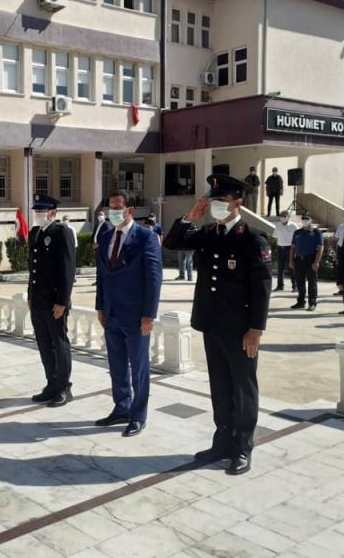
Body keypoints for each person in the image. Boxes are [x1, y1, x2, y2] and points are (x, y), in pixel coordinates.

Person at [163, 174, 272, 476]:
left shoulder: (253, 238)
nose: (216, 206)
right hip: (212, 323)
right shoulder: (209, 232)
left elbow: (262, 289)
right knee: (220, 386)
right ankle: (223, 442)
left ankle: (243, 447)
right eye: (213, 200)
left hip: (240, 329)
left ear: (238, 202)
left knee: (243, 389)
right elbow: (172, 243)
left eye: (222, 201)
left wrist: (255, 330)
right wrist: (190, 216)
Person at [94, 191, 162, 437]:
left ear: (130, 210)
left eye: (118, 208)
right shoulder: (105, 236)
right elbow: (102, 275)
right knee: (117, 364)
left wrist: (149, 315)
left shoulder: (146, 237)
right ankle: (121, 407)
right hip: (111, 313)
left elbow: (154, 278)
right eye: (110, 208)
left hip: (136, 315)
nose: (113, 212)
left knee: (139, 367)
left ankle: (138, 415)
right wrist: (100, 306)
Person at [27, 194, 77, 407]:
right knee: (44, 344)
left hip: (55, 302)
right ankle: (51, 384)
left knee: (59, 343)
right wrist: (30, 294)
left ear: (53, 213)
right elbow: (33, 268)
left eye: (42, 211)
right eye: (37, 211)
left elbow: (68, 269)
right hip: (38, 300)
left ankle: (64, 387)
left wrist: (62, 301)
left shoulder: (61, 232)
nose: (39, 214)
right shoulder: (35, 232)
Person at [289, 213, 324, 311]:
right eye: (303, 219)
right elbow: (293, 247)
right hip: (299, 260)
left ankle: (312, 303)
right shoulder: (297, 232)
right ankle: (300, 302)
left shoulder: (316, 232)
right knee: (300, 282)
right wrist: (291, 260)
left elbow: (320, 247)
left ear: (311, 220)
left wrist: (316, 262)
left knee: (312, 282)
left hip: (311, 259)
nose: (304, 221)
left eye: (307, 219)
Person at [272, 211, 297, 292]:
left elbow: (297, 237)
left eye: (284, 216)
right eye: (281, 216)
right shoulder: (278, 226)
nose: (282, 217)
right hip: (280, 248)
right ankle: (280, 285)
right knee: (280, 268)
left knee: (292, 267)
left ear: (288, 217)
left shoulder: (293, 226)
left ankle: (295, 286)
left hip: (290, 248)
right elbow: (275, 236)